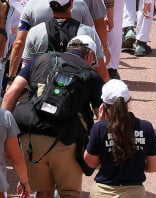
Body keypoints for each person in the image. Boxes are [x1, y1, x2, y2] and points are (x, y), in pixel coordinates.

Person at [3, 35, 104, 198]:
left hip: (31, 136)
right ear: (90, 55)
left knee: (43, 192)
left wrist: (5, 138)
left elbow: (10, 95)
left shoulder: (40, 59)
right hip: (67, 142)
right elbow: (102, 117)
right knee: (69, 193)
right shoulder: (93, 76)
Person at [84, 78, 156, 197]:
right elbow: (154, 166)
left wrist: (99, 124)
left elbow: (90, 162)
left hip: (103, 191)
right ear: (129, 100)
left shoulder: (99, 128)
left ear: (104, 106)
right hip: (134, 192)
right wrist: (138, 165)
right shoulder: (146, 127)